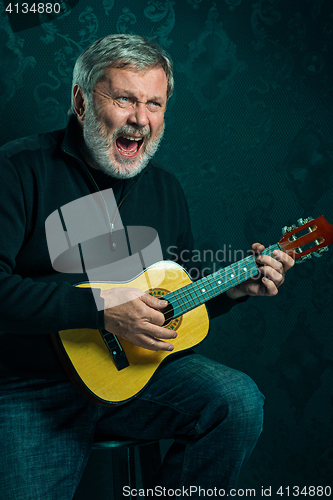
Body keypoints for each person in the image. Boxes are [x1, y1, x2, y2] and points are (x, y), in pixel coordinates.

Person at [0, 34, 294, 499]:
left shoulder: (165, 189)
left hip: (138, 375)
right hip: (32, 386)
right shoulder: (17, 170)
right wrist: (102, 307)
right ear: (80, 100)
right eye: (124, 99)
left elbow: (172, 298)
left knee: (236, 401)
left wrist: (235, 289)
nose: (140, 119)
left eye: (154, 104)